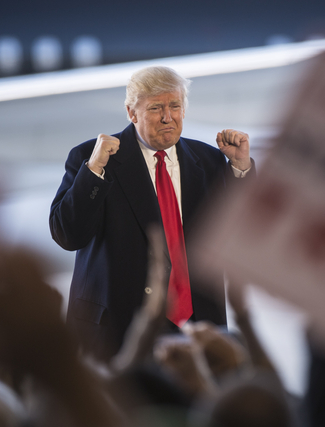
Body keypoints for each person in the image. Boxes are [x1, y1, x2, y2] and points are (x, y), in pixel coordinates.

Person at [49, 66, 254, 361]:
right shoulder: (91, 158)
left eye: (175, 106)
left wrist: (241, 170)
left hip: (198, 330)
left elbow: (245, 238)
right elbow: (68, 235)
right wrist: (94, 172)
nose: (168, 117)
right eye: (156, 108)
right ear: (132, 113)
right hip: (117, 334)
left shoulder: (210, 160)